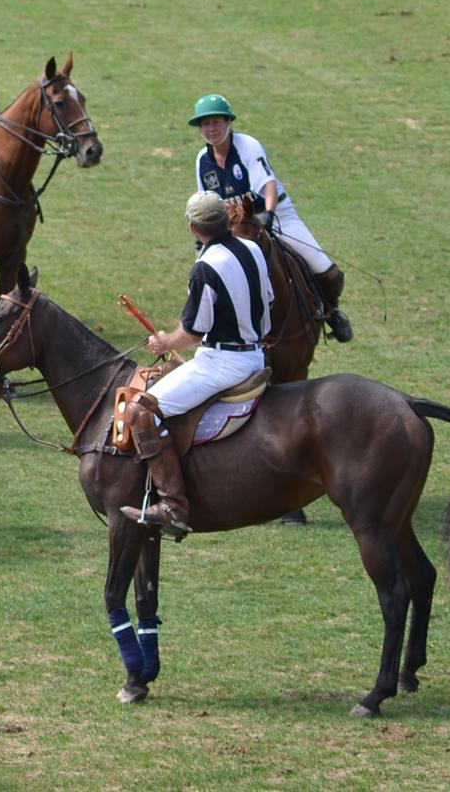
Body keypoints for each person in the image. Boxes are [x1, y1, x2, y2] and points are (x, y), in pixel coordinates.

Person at [121, 190, 275, 537]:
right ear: (225, 219)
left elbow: (192, 333)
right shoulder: (252, 248)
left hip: (223, 364)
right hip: (255, 354)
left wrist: (164, 342)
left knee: (141, 410)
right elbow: (269, 299)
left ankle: (172, 506)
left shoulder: (205, 266)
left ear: (193, 228)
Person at [188, 93, 352, 341]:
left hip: (273, 213)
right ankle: (206, 330)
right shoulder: (202, 159)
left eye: (216, 122)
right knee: (202, 276)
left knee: (325, 270)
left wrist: (270, 214)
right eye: (205, 124)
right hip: (233, 225)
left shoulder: (247, 146)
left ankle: (332, 313)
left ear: (228, 122)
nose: (211, 129)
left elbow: (269, 186)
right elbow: (207, 202)